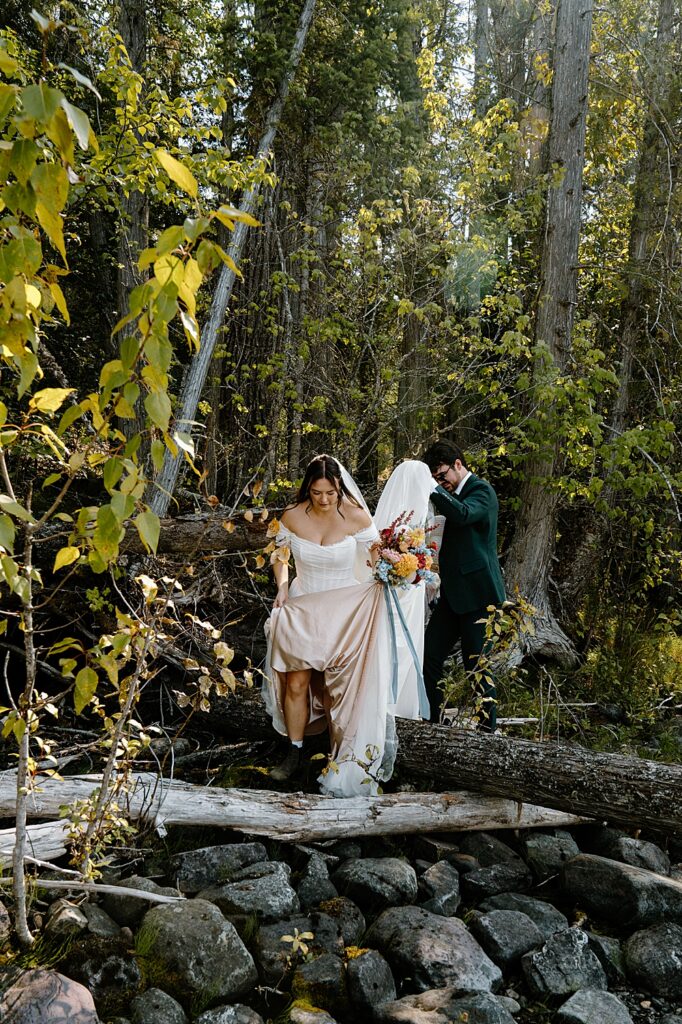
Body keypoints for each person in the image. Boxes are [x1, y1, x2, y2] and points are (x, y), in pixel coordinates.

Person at [263, 456, 433, 795]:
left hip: (345, 611)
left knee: (334, 688)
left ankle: (335, 754)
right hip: (302, 605)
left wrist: (392, 565)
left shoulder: (355, 514)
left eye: (330, 492)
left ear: (339, 488)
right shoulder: (292, 516)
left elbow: (372, 554)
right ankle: (294, 752)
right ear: (307, 489)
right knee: (296, 683)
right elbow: (279, 554)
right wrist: (282, 586)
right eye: (316, 493)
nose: (324, 500)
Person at [421, 440, 506, 731]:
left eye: (442, 476)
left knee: (477, 666)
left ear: (458, 464)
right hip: (451, 596)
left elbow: (464, 514)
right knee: (428, 657)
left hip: (480, 596)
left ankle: (487, 731)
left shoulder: (481, 491)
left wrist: (431, 488)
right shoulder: (443, 495)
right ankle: (433, 721)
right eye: (434, 479)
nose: (440, 483)